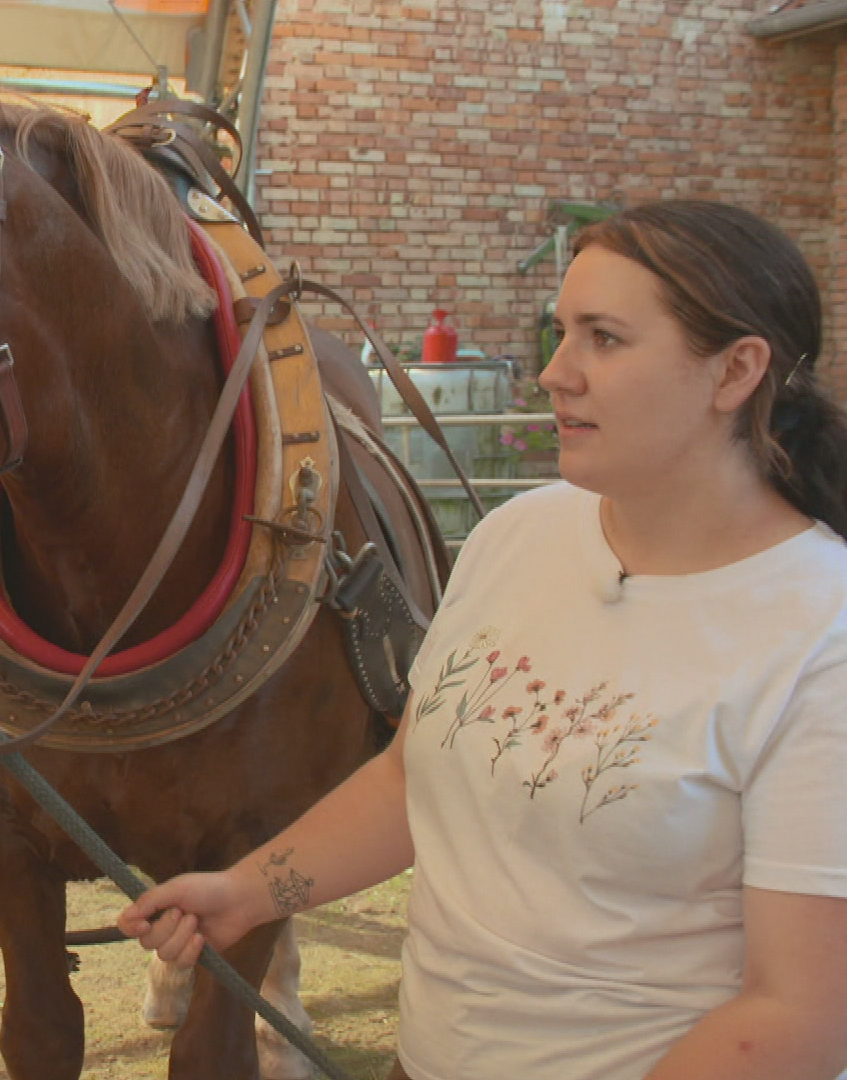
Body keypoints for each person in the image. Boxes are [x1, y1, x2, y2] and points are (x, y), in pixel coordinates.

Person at [118, 200, 847, 1080]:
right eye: (562, 333)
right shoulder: (519, 537)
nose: (554, 374)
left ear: (736, 371)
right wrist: (248, 891)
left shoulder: (818, 634)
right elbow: (410, 779)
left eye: (604, 340)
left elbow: (801, 1013)